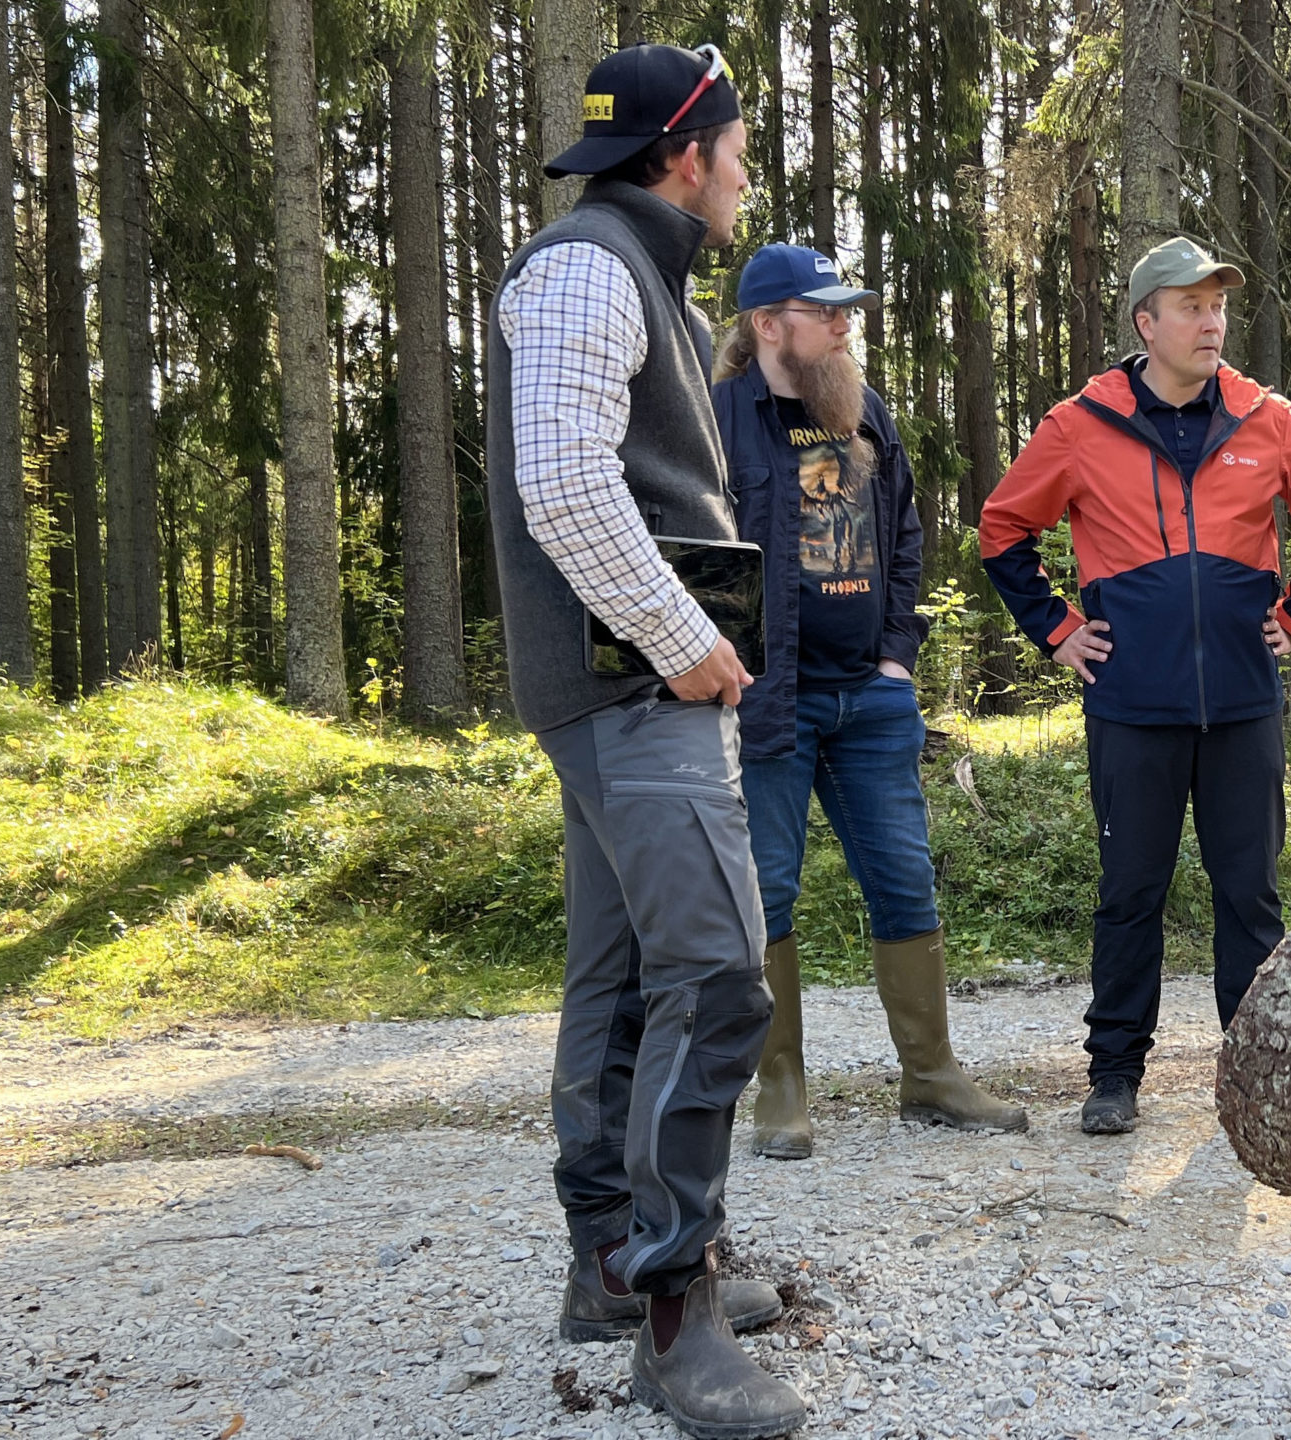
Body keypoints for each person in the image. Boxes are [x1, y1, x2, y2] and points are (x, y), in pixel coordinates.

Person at [485, 42, 805, 1439]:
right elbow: (560, 477)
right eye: (737, 148)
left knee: (623, 979)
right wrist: (679, 638)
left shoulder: (633, 276)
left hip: (629, 682)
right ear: (688, 154)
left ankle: (611, 1267)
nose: (744, 172)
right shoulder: (588, 266)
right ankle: (676, 1312)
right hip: (631, 684)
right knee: (720, 977)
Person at [977, 236, 1291, 1135]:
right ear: (1146, 322)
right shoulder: (1079, 426)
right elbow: (1002, 529)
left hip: (1243, 703)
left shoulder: (1266, 418)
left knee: (1251, 894)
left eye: (1219, 307)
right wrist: (1056, 630)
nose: (1212, 323)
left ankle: (1255, 1087)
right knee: (1132, 890)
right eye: (1192, 307)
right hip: (1132, 706)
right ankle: (1115, 1073)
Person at [712, 243, 1027, 1158]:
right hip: (769, 702)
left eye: (849, 308)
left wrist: (897, 656)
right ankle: (781, 1091)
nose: (847, 323)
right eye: (827, 310)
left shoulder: (862, 410)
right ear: (770, 326)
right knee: (768, 890)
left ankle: (931, 1078)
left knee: (903, 878)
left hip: (870, 699)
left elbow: (904, 532)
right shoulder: (721, 418)